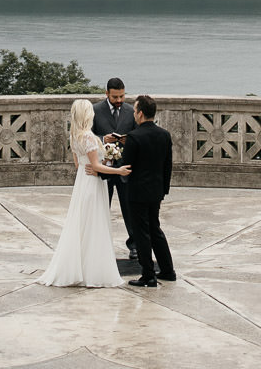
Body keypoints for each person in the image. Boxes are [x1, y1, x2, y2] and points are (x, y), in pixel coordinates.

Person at [38, 98, 133, 288]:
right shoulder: (89, 137)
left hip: (82, 180)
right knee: (94, 223)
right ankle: (93, 270)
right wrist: (118, 170)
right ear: (87, 115)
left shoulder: (74, 136)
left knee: (82, 223)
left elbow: (78, 164)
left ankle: (81, 266)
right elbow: (96, 166)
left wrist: (102, 160)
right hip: (92, 183)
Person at [121, 94, 176, 287]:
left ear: (141, 113)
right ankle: (168, 270)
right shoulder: (164, 135)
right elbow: (167, 165)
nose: (134, 114)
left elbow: (125, 166)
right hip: (156, 190)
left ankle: (148, 274)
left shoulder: (134, 137)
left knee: (141, 233)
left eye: (135, 110)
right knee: (155, 229)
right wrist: (164, 189)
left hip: (137, 192)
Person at [90, 77, 137, 257]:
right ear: (107, 94)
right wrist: (103, 139)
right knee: (101, 207)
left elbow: (137, 135)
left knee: (130, 208)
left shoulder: (130, 110)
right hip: (104, 167)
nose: (119, 100)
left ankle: (134, 245)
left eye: (122, 96)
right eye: (115, 97)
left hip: (125, 167)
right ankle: (99, 244)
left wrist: (129, 140)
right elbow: (87, 136)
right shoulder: (95, 110)